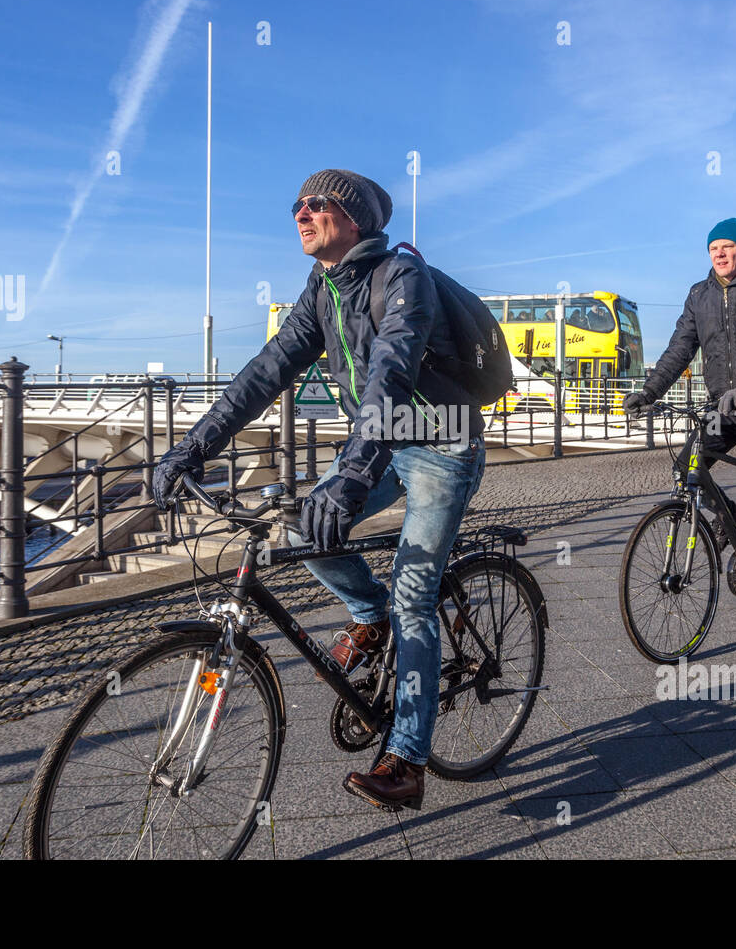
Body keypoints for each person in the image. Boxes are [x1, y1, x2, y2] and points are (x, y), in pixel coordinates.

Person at [152, 169, 486, 812]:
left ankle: (408, 759)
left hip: (441, 442)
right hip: (383, 442)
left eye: (317, 204)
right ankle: (367, 616)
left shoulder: (400, 277)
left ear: (354, 218)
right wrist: (193, 447)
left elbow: (391, 373)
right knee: (304, 527)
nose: (301, 214)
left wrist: (353, 475)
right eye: (297, 205)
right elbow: (264, 373)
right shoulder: (321, 288)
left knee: (415, 596)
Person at [623, 218, 736, 623]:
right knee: (687, 467)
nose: (719, 254)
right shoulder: (699, 294)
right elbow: (679, 349)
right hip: (723, 408)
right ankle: (728, 517)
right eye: (713, 249)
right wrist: (649, 392)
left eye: (726, 247)